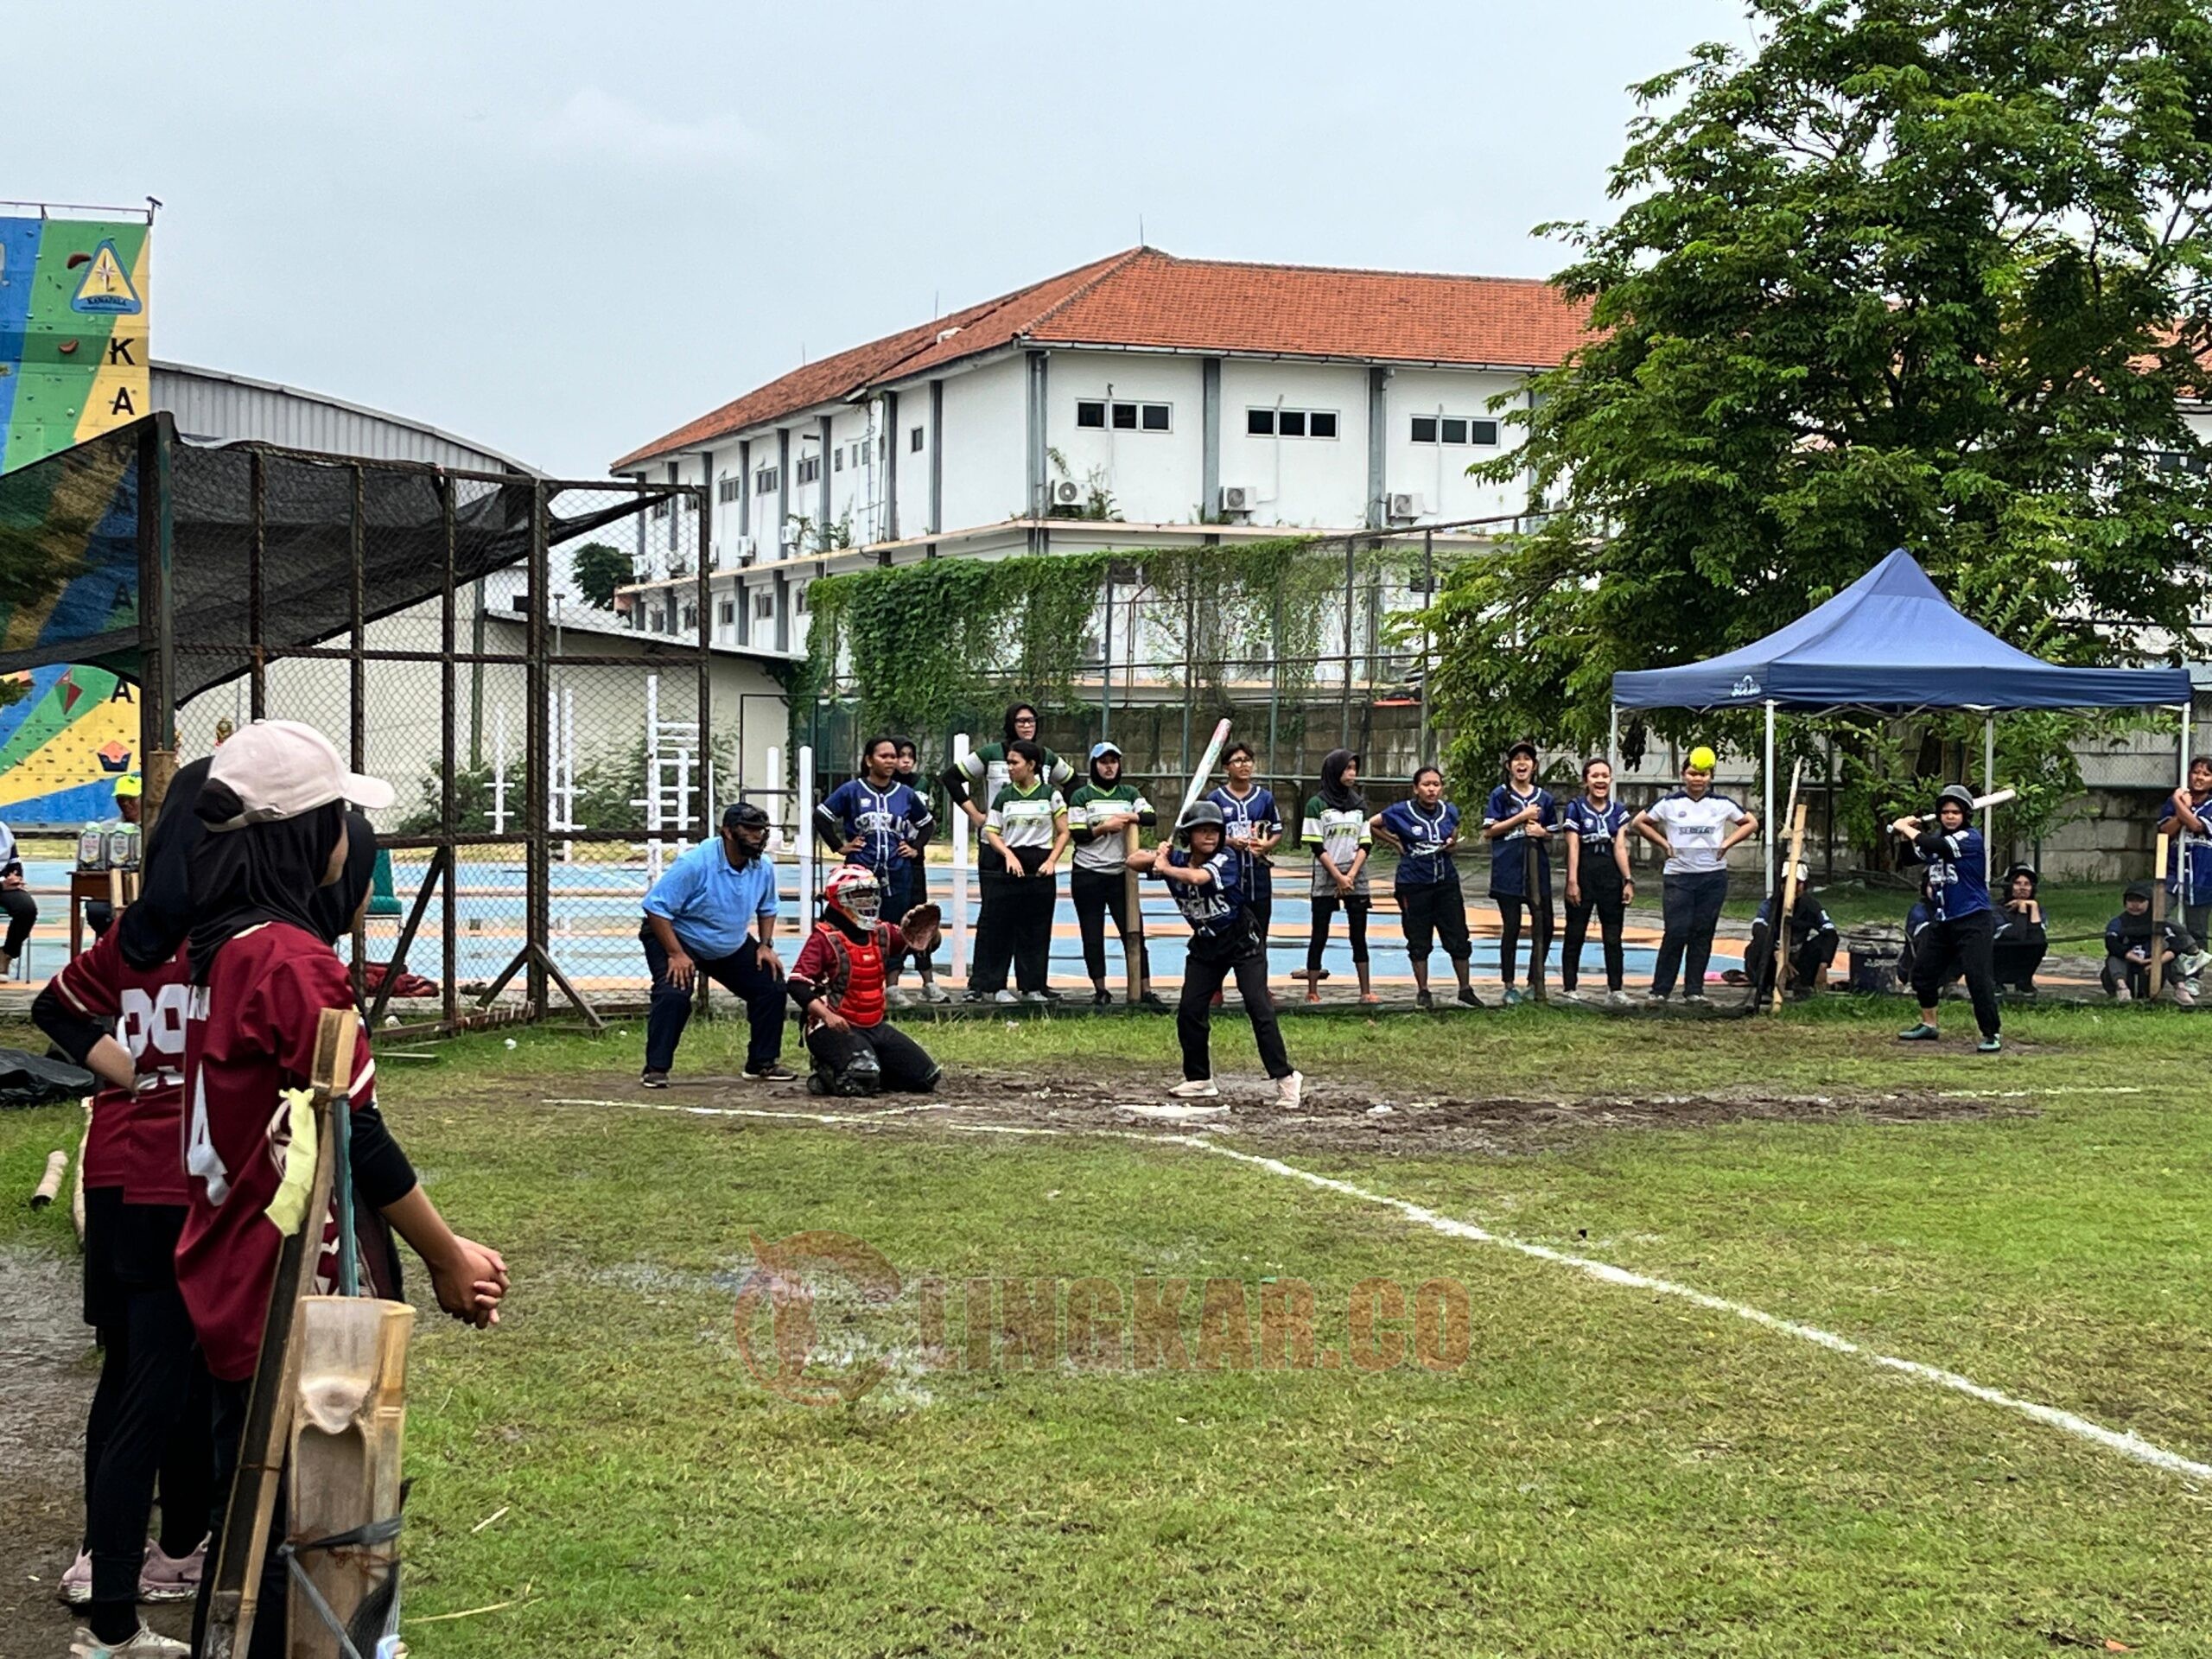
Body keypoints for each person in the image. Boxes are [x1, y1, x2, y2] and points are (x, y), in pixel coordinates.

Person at [175, 721, 506, 1659]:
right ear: (302, 833)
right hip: (289, 1291)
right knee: (301, 1541)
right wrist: (447, 1254)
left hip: (231, 1268)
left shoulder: (222, 946)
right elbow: (354, 1133)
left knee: (249, 1532)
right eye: (337, 816)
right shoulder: (289, 961)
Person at [35, 909, 207, 1656]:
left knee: (142, 1369)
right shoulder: (215, 939)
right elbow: (55, 1008)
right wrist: (142, 1074)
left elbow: (56, 1008)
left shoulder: (144, 930)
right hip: (164, 1172)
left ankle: (153, 1550)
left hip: (129, 1166)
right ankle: (119, 1563)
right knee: (153, 1375)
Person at [1129, 802, 1301, 1107]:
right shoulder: (1177, 859)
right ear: (1188, 835)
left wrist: (1165, 867)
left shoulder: (1226, 858)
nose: (1209, 836)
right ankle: (1199, 1079)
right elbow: (1132, 860)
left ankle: (1286, 1077)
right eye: (1202, 831)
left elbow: (1198, 879)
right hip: (1206, 944)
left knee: (1258, 1006)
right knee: (1190, 1010)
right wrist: (1158, 854)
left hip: (1242, 941)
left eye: (1214, 830)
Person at [639, 800, 793, 1085]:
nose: (757, 836)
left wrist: (765, 946)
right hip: (678, 936)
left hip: (727, 941)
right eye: (749, 829)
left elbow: (768, 906)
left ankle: (762, 1063)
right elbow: (656, 908)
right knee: (674, 992)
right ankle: (656, 1069)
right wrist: (675, 953)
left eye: (761, 830)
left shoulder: (763, 865)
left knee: (771, 986)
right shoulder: (695, 863)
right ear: (728, 832)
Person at [944, 705, 1074, 998]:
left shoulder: (1046, 757)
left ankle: (1034, 984)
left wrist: (1061, 813)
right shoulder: (991, 753)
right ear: (1010, 723)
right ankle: (985, 984)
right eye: (1021, 721)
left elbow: (1072, 782)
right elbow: (951, 777)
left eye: (1032, 720)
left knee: (1034, 922)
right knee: (994, 919)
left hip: (1037, 852)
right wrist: (977, 816)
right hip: (998, 848)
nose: (1027, 725)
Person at [789, 865, 944, 1096]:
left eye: (870, 894)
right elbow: (797, 984)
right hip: (835, 1026)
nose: (867, 901)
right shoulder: (824, 938)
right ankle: (827, 1072)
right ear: (839, 899)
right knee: (859, 1078)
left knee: (924, 1077)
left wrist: (928, 932)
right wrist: (827, 1016)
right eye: (859, 895)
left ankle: (873, 1067)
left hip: (873, 1024)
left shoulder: (880, 932)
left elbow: (921, 945)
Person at [814, 735, 936, 1003]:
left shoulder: (905, 794)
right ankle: (849, 984)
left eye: (894, 756)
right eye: (884, 756)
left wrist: (915, 847)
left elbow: (927, 823)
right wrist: (839, 846)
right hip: (860, 874)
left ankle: (892, 987)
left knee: (894, 929)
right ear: (869, 760)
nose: (891, 761)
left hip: (897, 874)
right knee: (853, 927)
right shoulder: (851, 790)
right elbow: (821, 816)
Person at [1632, 747, 1758, 1005]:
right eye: (1692, 773)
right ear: (1683, 775)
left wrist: (1727, 844)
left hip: (1712, 877)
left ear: (1710, 776)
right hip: (1679, 877)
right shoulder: (1669, 803)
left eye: (1703, 774)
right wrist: (1664, 844)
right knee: (1676, 932)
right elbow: (1639, 822)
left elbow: (1751, 823)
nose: (1697, 779)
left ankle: (1694, 991)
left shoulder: (1722, 803)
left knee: (1703, 933)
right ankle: (1660, 991)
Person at [1891, 783, 2003, 1050]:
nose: (1950, 816)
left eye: (1955, 812)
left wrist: (1906, 828)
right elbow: (1910, 858)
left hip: (1973, 919)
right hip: (1944, 920)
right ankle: (1929, 1024)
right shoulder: (1938, 839)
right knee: (1922, 972)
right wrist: (1905, 835)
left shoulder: (1969, 838)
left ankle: (1991, 1033)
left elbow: (1935, 844)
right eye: (1945, 812)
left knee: (1977, 977)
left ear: (1965, 815)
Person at [1371, 766, 1478, 1008]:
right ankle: (1423, 990)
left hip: (1446, 881)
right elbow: (1372, 824)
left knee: (1458, 935)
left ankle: (1465, 989)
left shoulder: (1449, 811)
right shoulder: (1401, 811)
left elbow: (1453, 833)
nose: (1431, 789)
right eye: (1426, 785)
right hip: (1413, 883)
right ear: (1416, 788)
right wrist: (1395, 842)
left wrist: (1451, 844)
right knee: (1418, 937)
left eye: (1436, 785)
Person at [1066, 741, 1161, 1007]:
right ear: (1094, 765)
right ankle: (1100, 989)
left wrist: (1130, 817)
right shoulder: (1082, 796)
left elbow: (1150, 816)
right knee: (1092, 933)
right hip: (1088, 873)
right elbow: (1078, 834)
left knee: (1134, 931)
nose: (1109, 767)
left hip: (1122, 875)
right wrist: (1104, 827)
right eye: (1103, 762)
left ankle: (1144, 989)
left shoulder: (1129, 793)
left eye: (1113, 762)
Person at [982, 739, 1070, 1003]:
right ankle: (997, 986)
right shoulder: (1004, 796)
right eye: (1008, 762)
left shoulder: (1050, 794)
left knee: (1036, 929)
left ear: (1031, 765)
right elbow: (991, 831)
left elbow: (1064, 831)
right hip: (1011, 865)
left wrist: (1052, 860)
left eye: (1014, 763)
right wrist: (1007, 854)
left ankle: (1032, 986)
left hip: (1040, 864)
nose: (1009, 767)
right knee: (1002, 927)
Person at [1483, 741, 1556, 1005]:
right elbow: (1489, 831)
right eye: (1517, 759)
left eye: (1527, 759)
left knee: (1545, 924)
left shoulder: (1545, 798)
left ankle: (1535, 980)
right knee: (1511, 927)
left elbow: (1552, 832)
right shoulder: (1500, 795)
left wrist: (1542, 832)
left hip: (1538, 871)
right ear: (1509, 766)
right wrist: (1521, 817)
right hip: (1508, 870)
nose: (1522, 763)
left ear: (1534, 766)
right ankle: (1509, 984)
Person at [1300, 749, 1374, 1004]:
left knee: (1359, 934)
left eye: (1354, 768)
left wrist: (1350, 875)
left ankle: (1365, 991)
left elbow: (1366, 843)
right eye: (1347, 769)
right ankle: (1312, 990)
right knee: (1320, 931)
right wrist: (1337, 876)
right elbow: (1316, 845)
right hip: (1326, 870)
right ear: (1334, 771)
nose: (1352, 774)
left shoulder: (1360, 805)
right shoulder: (1316, 804)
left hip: (1356, 872)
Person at [1560, 758, 1635, 1006]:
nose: (1600, 780)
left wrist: (1628, 880)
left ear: (1611, 779)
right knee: (1575, 933)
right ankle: (1570, 988)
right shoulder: (1576, 808)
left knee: (1613, 935)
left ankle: (1616, 989)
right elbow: (1573, 847)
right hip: (1584, 871)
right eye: (1595, 776)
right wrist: (1572, 881)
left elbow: (1620, 847)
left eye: (1605, 775)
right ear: (1586, 780)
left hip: (1610, 875)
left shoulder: (1618, 810)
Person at [1206, 742, 1283, 961]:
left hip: (1257, 877)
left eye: (1247, 760)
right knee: (1224, 933)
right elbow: (1207, 836)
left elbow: (1277, 830)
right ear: (1226, 767)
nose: (1244, 765)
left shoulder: (1264, 798)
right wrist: (1230, 841)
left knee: (1259, 932)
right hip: (1227, 877)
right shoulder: (1215, 800)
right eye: (1238, 761)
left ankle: (1258, 977)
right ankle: (1218, 979)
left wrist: (1266, 846)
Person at [889, 738, 945, 1001]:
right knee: (893, 923)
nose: (905, 761)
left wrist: (916, 847)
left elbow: (928, 823)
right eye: (900, 755)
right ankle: (891, 983)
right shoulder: (882, 788)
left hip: (913, 863)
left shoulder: (920, 784)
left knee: (921, 919)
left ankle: (928, 981)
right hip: (888, 863)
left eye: (910, 756)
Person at [2101, 880, 2205, 1004]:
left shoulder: (2159, 922)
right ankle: (2122, 989)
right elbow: (2111, 943)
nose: (2135, 905)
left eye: (2140, 901)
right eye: (2131, 900)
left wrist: (2157, 962)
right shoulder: (2118, 922)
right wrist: (2135, 958)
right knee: (2114, 957)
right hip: (2126, 970)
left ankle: (2181, 989)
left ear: (2149, 902)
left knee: (2169, 953)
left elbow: (2176, 944)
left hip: (2151, 973)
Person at [2158, 755, 2212, 988]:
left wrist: (2180, 803)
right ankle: (2183, 954)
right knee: (2158, 916)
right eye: (2196, 772)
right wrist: (2180, 805)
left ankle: (2193, 979)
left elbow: (2197, 825)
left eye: (2206, 774)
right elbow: (2165, 830)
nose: (2199, 777)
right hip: (2173, 874)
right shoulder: (2175, 802)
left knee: (2198, 928)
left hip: (2202, 876)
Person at [1738, 874, 1838, 1000]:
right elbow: (1759, 929)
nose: (1794, 888)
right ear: (1781, 885)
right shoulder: (1770, 905)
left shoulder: (1812, 906)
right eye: (1789, 883)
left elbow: (1830, 933)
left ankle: (1802, 983)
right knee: (1756, 946)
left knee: (1822, 942)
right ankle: (1767, 985)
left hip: (1798, 959)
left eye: (1798, 883)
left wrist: (1824, 964)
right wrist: (1777, 953)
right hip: (1773, 958)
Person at [84, 772, 145, 940]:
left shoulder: (156, 827)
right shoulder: (104, 829)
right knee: (96, 910)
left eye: (131, 798)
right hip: (109, 888)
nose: (125, 803)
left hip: (145, 890)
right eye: (121, 799)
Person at [1992, 865, 2048, 995]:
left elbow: (2038, 938)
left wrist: (2033, 906)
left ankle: (2024, 981)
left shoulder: (2038, 910)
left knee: (2039, 943)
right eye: (2017, 883)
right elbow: (2016, 935)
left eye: (2027, 884)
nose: (2022, 888)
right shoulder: (1995, 910)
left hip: (2023, 958)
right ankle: (1995, 982)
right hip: (2000, 958)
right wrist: (2022, 910)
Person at [0, 810, 35, 978]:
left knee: (26, 909)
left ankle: (6, 954)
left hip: (4, 886)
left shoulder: (3, 830)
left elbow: (14, 861)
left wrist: (15, 878)